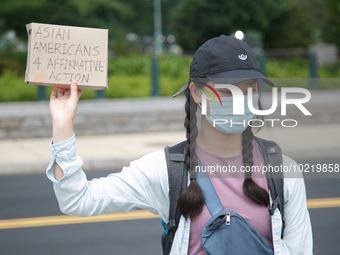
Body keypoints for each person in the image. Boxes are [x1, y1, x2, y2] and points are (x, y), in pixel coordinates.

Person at [47, 35, 313, 254]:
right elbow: (78, 200)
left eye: (250, 89)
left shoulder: (283, 170)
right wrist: (62, 123)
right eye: (227, 90)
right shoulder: (167, 170)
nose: (242, 99)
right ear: (197, 92)